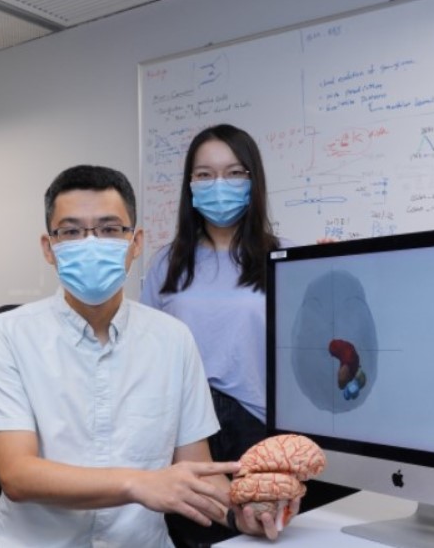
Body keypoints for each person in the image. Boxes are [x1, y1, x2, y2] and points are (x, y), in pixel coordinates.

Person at [0, 165, 290, 547]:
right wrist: (140, 483)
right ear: (48, 248)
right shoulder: (6, 336)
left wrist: (244, 514)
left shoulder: (173, 339)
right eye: (71, 232)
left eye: (109, 229)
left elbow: (198, 472)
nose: (91, 242)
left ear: (135, 243)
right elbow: (17, 475)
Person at [141, 124, 354, 545]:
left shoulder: (285, 258)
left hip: (261, 435)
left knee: (262, 534)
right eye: (204, 174)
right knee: (195, 533)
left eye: (234, 172)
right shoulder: (165, 263)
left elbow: (320, 350)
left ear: (253, 181)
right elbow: (144, 354)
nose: (218, 184)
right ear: (190, 185)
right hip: (185, 434)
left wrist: (333, 279)